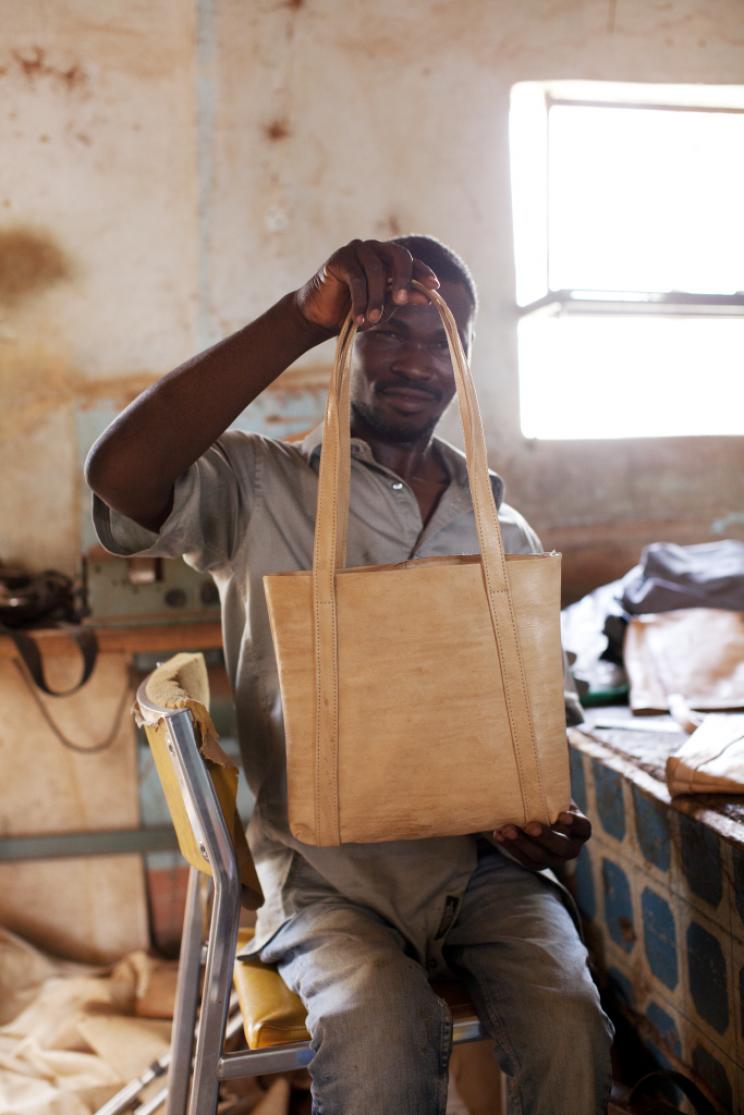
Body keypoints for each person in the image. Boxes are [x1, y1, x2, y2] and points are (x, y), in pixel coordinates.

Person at [86, 236, 613, 1114]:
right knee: (376, 1028)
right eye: (387, 331)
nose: (417, 359)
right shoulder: (261, 491)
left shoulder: (503, 537)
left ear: (467, 358)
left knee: (570, 1018)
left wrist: (548, 828)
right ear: (346, 342)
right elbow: (120, 473)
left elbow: (535, 731)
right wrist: (298, 316)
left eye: (442, 336)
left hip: (485, 872)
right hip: (329, 880)